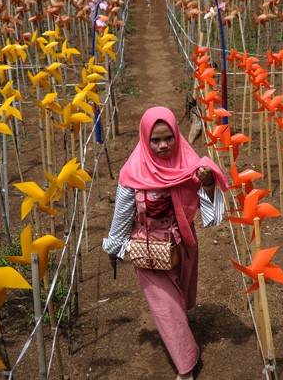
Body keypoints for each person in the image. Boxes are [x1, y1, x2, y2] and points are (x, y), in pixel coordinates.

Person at [103, 107, 227, 380]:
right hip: (147, 249)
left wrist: (207, 183)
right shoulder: (132, 172)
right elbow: (122, 214)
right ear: (144, 139)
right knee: (165, 307)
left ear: (177, 134)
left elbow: (211, 214)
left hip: (181, 244)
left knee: (179, 294)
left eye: (168, 137)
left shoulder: (189, 163)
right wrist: (114, 247)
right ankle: (186, 365)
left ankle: (180, 331)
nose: (163, 145)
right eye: (155, 140)